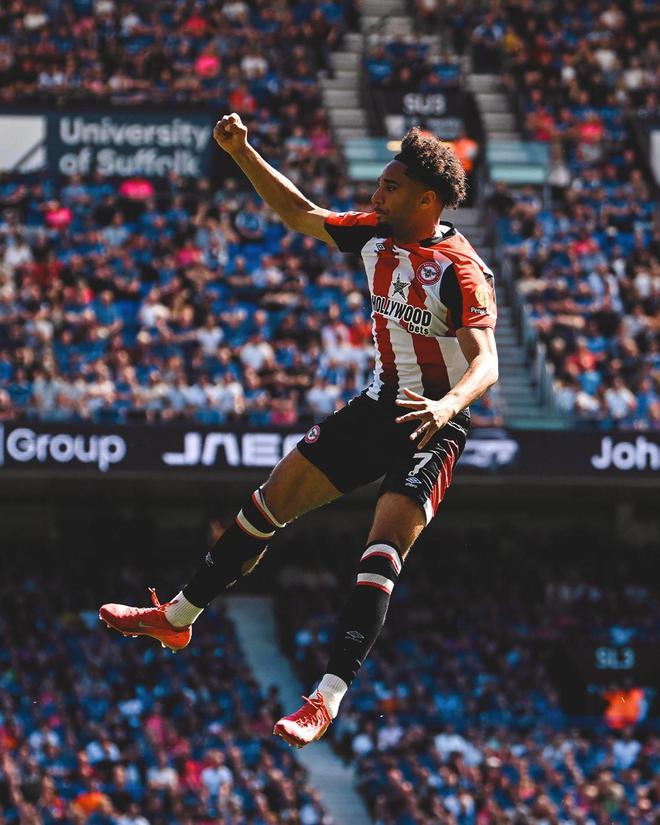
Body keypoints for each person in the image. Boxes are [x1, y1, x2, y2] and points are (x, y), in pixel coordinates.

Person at [100, 114, 499, 748]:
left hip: (434, 422)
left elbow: (488, 361)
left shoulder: (460, 269)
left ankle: (326, 698)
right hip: (380, 405)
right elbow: (300, 213)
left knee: (381, 550)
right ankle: (177, 616)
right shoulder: (374, 233)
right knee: (268, 504)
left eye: (390, 187)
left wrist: (446, 407)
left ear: (427, 201)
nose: (376, 195)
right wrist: (242, 151)